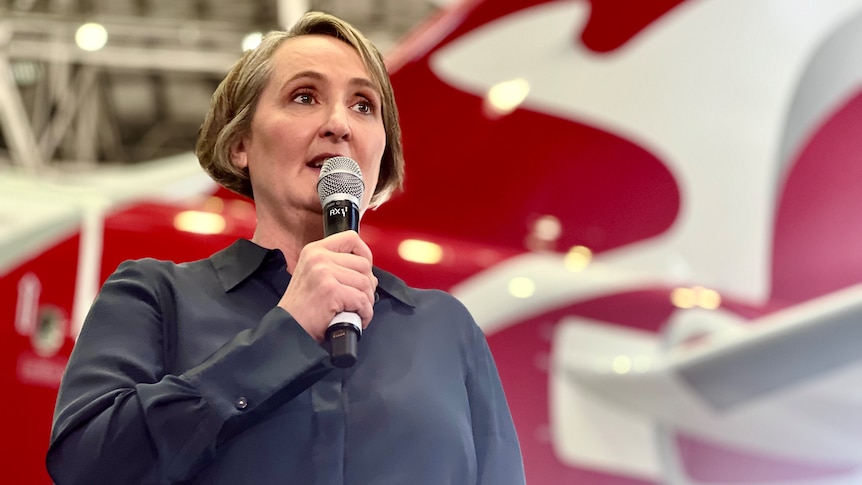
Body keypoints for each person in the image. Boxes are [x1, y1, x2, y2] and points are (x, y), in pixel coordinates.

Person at [45, 11, 525, 485]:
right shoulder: (155, 297)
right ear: (240, 145)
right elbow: (87, 467)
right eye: (304, 96)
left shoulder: (447, 329)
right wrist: (284, 334)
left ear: (381, 151)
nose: (339, 123)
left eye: (363, 105)